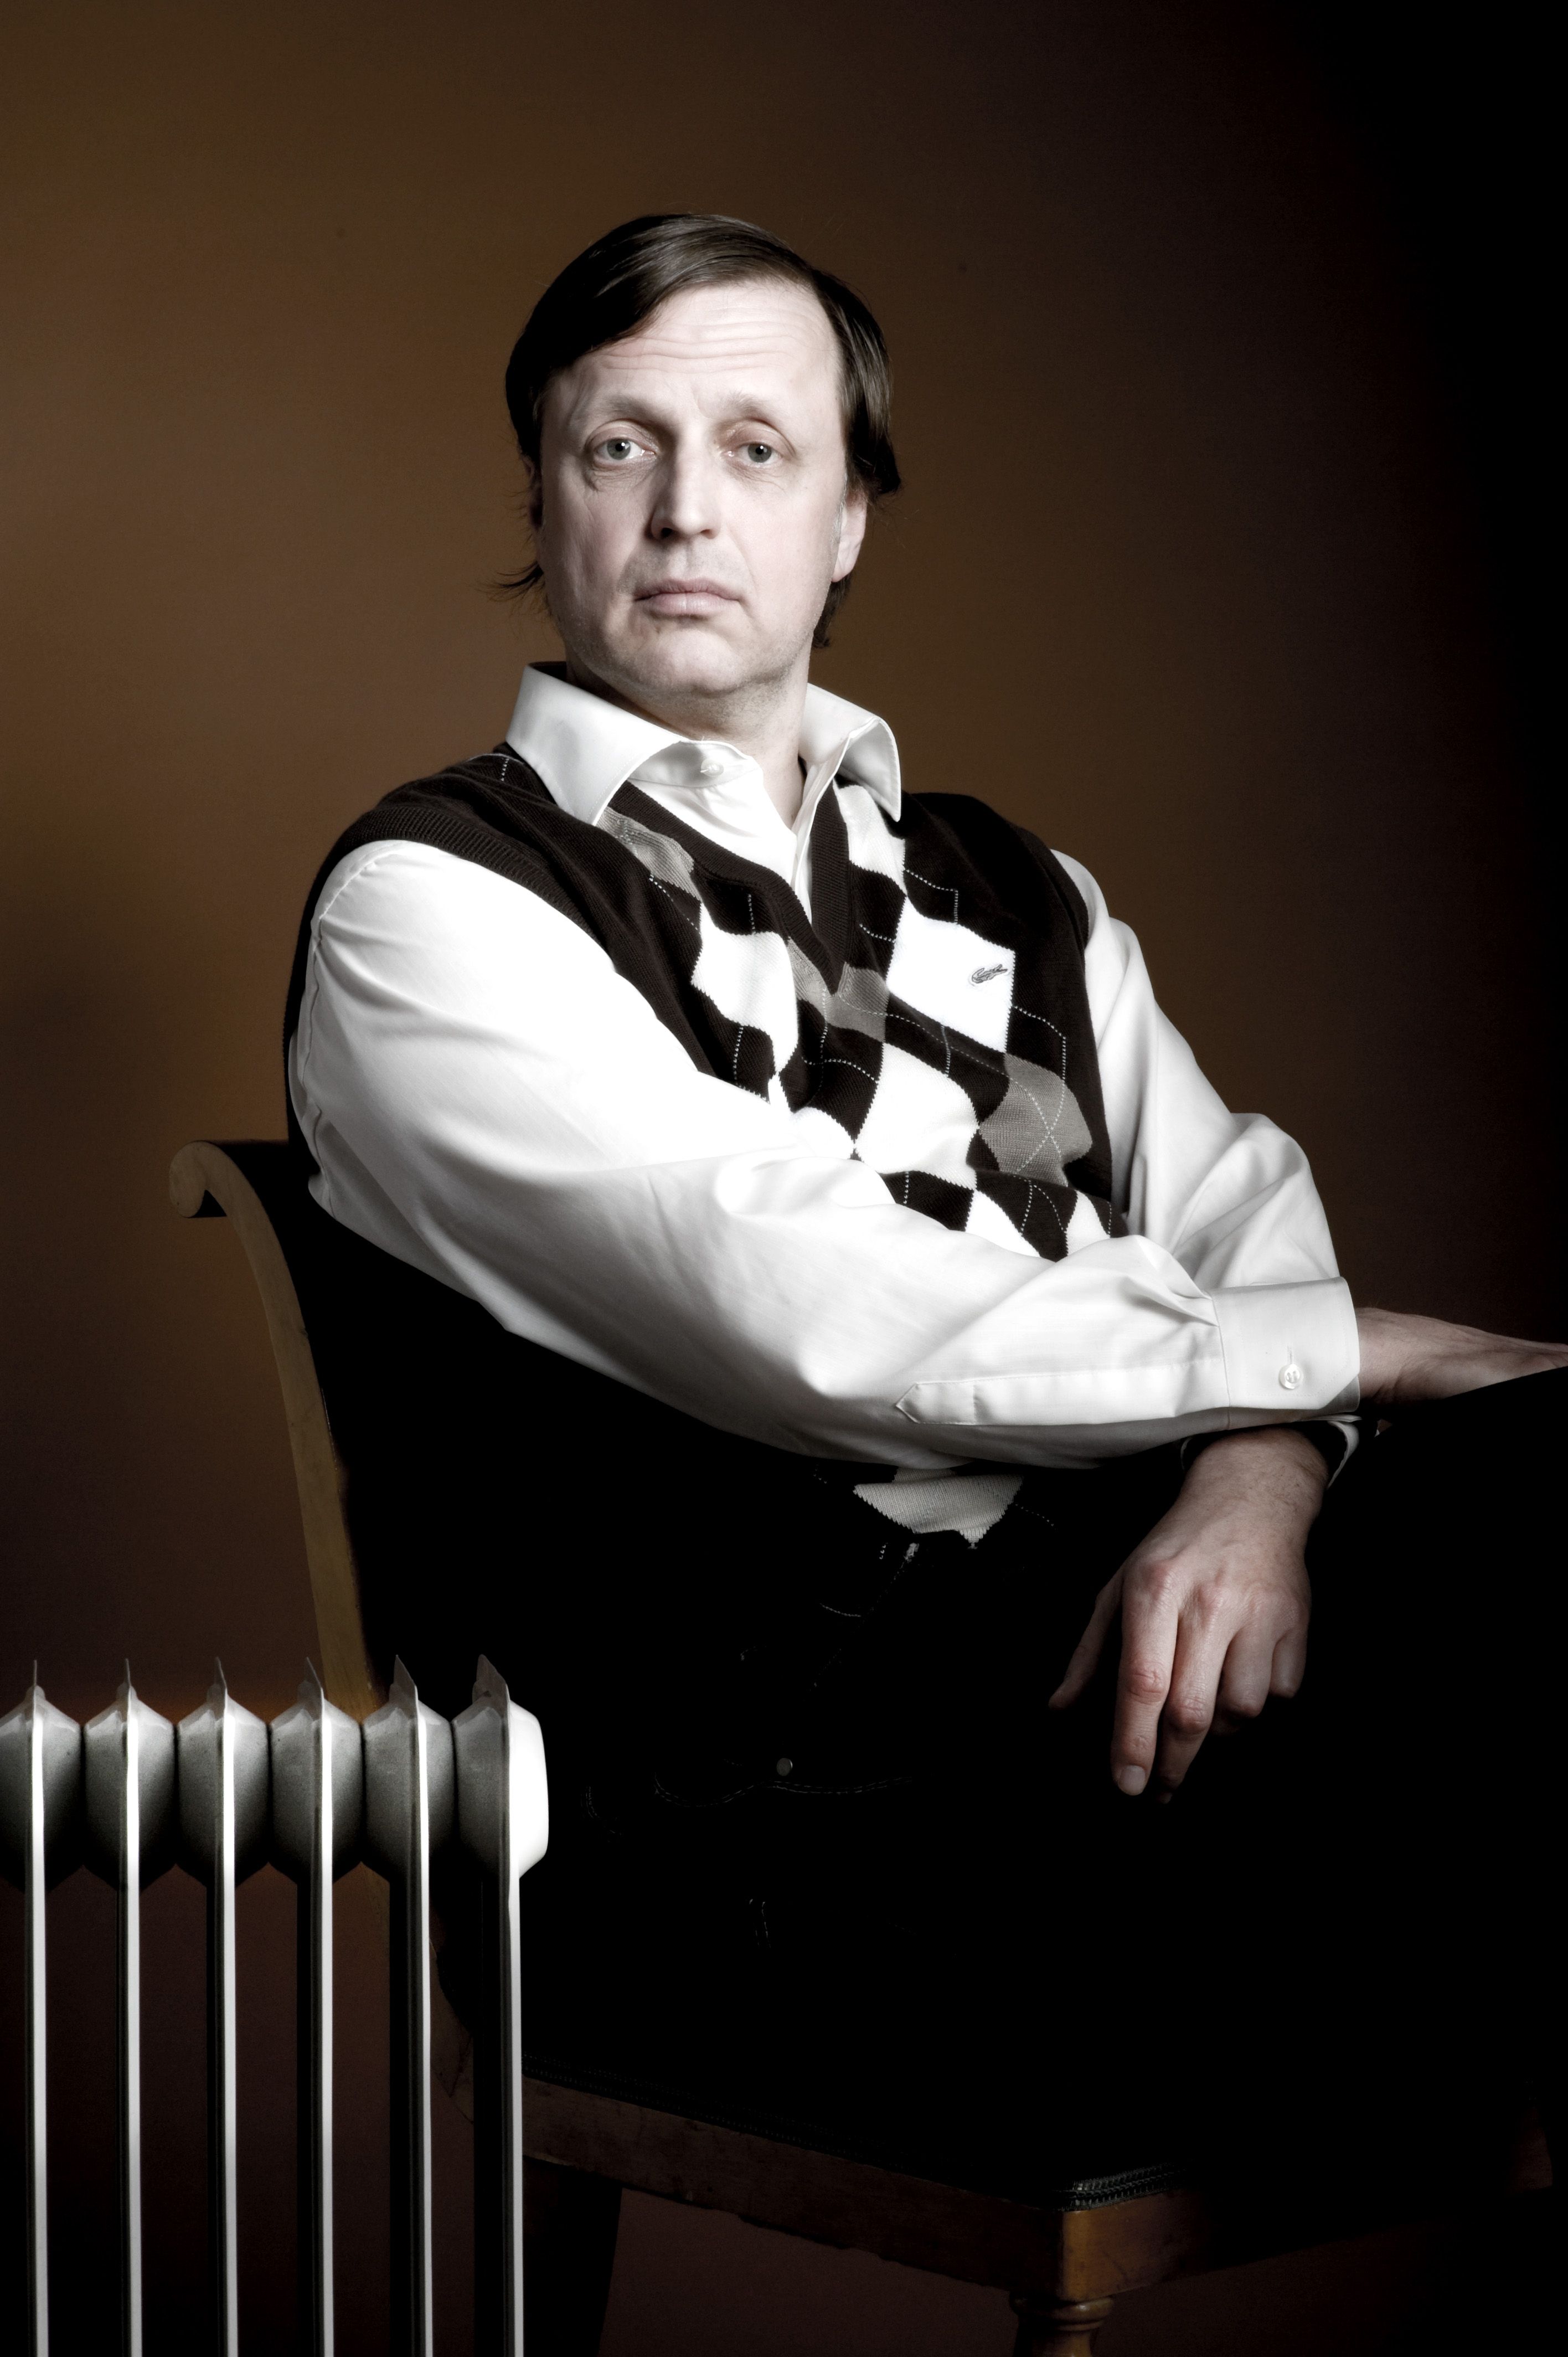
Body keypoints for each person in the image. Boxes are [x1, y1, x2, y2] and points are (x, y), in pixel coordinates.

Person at [285, 214, 1561, 2190]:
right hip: (776, 1799)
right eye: (620, 446)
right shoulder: (431, 905)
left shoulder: (1017, 888)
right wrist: (1357, 1358)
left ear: (851, 518)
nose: (686, 508)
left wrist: (1262, 1475)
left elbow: (1238, 1213)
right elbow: (803, 1300)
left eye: (758, 449)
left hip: (1129, 1690)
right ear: (543, 493)